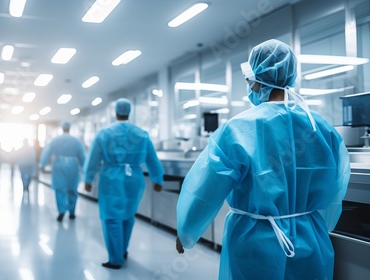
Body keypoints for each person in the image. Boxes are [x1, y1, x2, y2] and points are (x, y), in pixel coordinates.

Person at [175, 39, 350, 280]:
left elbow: (206, 189)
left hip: (256, 242)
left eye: (249, 81)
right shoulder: (321, 128)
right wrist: (318, 224)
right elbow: (336, 188)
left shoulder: (238, 129)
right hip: (311, 238)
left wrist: (186, 230)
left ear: (256, 82)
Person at [84, 98, 164, 269]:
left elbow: (94, 158)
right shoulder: (141, 134)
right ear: (129, 112)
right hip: (134, 178)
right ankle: (123, 250)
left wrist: (88, 179)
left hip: (112, 177)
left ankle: (115, 259)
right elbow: (152, 159)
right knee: (128, 216)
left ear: (115, 112)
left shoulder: (105, 133)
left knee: (112, 218)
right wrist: (157, 179)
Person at [39, 121, 86, 222]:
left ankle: (61, 211)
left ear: (62, 128)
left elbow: (47, 152)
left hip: (59, 166)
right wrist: (85, 169)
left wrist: (42, 164)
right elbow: (82, 157)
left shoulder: (55, 140)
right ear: (69, 128)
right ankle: (72, 212)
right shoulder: (76, 141)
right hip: (72, 167)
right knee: (72, 189)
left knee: (59, 190)